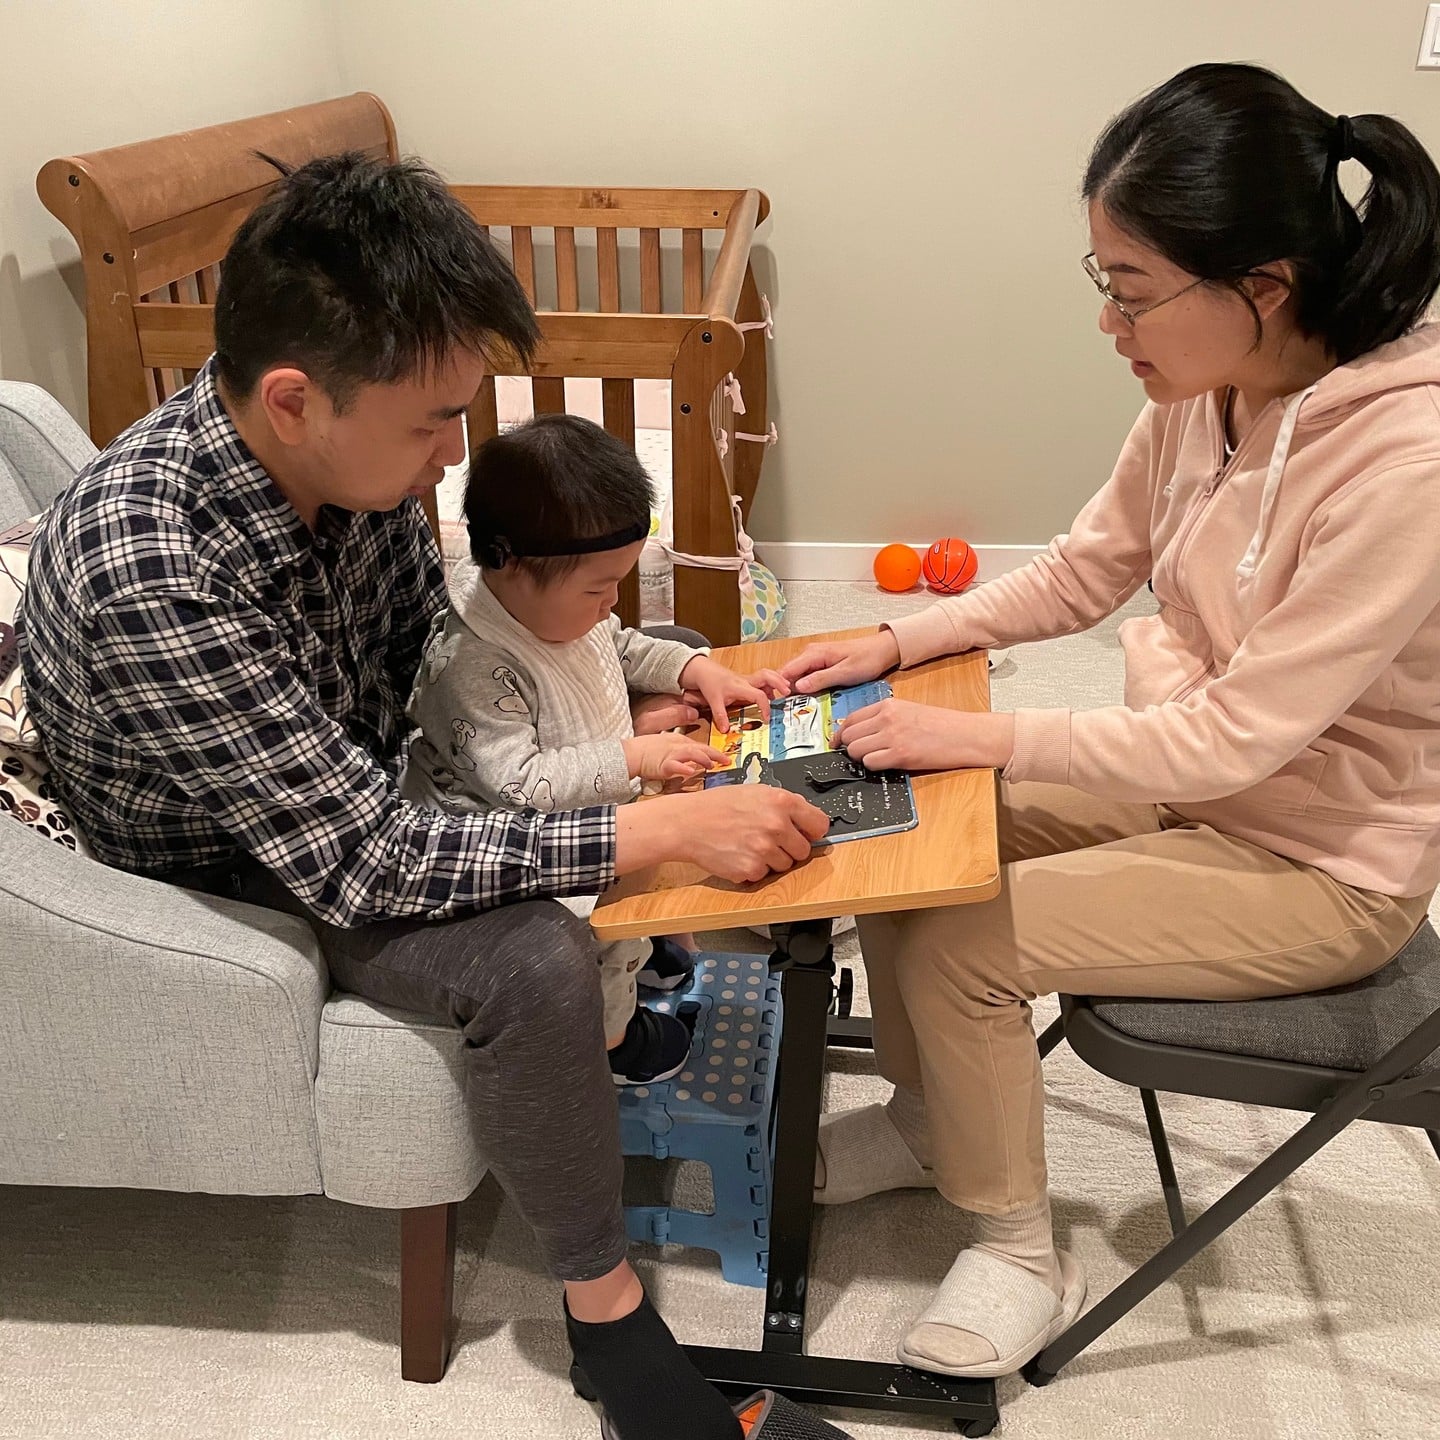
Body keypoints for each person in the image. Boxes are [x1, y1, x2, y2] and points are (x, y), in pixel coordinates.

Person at [17, 152, 834, 1440]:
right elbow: (358, 866)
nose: (453, 455)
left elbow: (432, 659)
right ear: (293, 400)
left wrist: (618, 702)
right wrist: (639, 822)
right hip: (238, 860)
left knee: (633, 820)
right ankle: (615, 1340)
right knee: (536, 955)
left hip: (356, 786)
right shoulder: (158, 569)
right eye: (429, 423)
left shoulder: (359, 473)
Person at [781, 62, 1440, 1379]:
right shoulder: (1204, 397)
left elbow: (1236, 743)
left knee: (965, 924)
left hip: (1321, 861)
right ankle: (936, 1125)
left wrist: (985, 734)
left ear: (1263, 286)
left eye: (1130, 292)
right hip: (1202, 782)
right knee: (918, 834)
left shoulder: (1404, 462)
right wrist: (900, 640)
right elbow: (1087, 568)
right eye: (1106, 287)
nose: (1111, 326)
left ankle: (1019, 1242)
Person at [402, 412, 790, 1084]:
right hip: (516, 846)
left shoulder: (558, 608)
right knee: (604, 937)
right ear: (509, 566)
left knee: (650, 892)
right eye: (598, 589)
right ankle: (615, 1043)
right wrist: (633, 756)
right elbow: (519, 782)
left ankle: (659, 952)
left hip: (590, 799)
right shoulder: (474, 659)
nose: (611, 601)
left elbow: (619, 644)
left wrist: (695, 671)